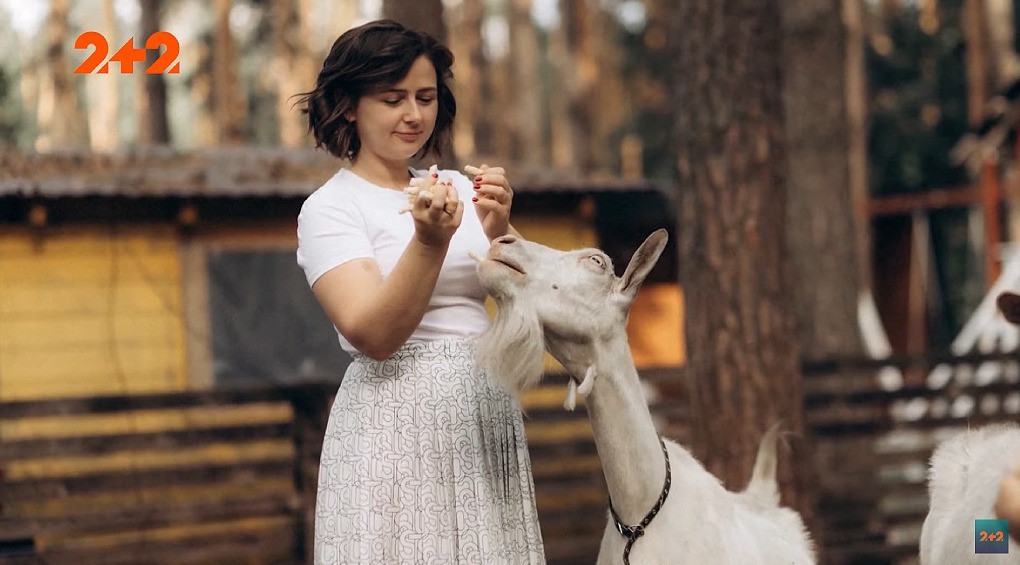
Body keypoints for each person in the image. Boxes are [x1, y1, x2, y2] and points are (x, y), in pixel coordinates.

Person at [295, 20, 545, 564]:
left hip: (483, 409)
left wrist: (501, 229)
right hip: (395, 421)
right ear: (349, 106)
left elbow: (533, 307)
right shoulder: (331, 209)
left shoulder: (458, 188)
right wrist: (429, 242)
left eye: (425, 97)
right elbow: (373, 334)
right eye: (393, 98)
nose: (414, 114)